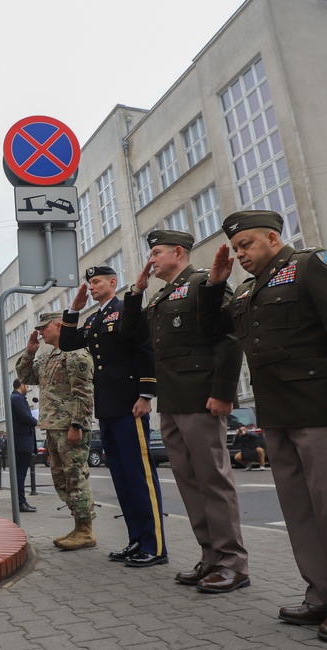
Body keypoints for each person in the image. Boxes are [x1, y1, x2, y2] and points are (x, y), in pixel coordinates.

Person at [199, 209, 327, 643]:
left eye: (247, 245)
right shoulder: (243, 292)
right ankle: (322, 596)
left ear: (274, 238)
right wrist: (215, 284)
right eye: (236, 248)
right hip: (277, 415)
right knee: (300, 511)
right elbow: (213, 333)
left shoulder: (312, 265)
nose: (240, 254)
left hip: (322, 410)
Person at [122, 230, 249, 593]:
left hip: (201, 398)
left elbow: (227, 337)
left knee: (214, 481)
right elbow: (132, 336)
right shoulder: (160, 294)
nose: (151, 259)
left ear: (179, 252)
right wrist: (136, 291)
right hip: (173, 401)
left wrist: (223, 392)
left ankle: (233, 563)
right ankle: (210, 557)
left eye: (157, 253)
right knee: (190, 483)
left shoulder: (203, 283)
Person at [58, 266, 167, 567]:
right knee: (121, 478)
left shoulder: (125, 310)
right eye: (89, 283)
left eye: (96, 282)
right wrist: (74, 309)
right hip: (107, 408)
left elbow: (144, 349)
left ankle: (154, 546)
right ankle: (136, 540)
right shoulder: (94, 319)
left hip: (130, 405)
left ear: (112, 283)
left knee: (139, 477)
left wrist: (146, 395)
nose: (91, 287)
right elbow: (67, 343)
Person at [16, 313, 96, 544]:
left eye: (44, 328)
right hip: (53, 427)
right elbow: (26, 376)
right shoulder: (48, 358)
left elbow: (84, 394)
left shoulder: (76, 354)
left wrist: (77, 425)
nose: (40, 332)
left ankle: (86, 530)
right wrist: (30, 352)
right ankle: (78, 526)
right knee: (62, 479)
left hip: (70, 427)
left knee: (76, 477)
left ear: (59, 326)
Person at [9, 379, 39, 513]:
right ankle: (20, 502)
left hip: (20, 441)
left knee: (20, 473)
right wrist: (37, 421)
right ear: (21, 386)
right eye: (27, 385)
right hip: (22, 441)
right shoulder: (18, 399)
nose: (28, 388)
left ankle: (21, 501)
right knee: (20, 474)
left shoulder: (16, 398)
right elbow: (25, 417)